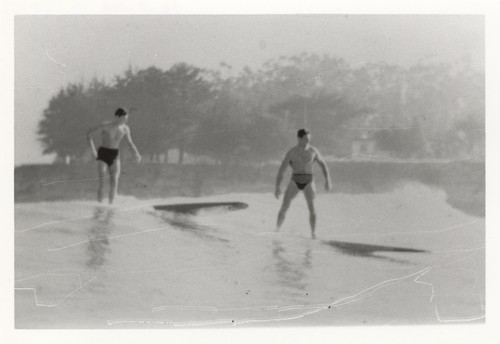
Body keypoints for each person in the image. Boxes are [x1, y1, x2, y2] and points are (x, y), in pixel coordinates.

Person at [275, 129, 331, 239]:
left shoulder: (313, 151)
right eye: (306, 138)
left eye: (309, 138)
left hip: (308, 181)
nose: (308, 140)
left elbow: (323, 165)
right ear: (299, 138)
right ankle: (276, 230)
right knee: (285, 206)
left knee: (312, 208)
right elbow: (282, 169)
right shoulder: (292, 152)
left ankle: (313, 234)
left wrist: (327, 180)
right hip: (295, 181)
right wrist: (277, 187)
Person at [86, 107, 141, 204]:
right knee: (102, 181)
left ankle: (110, 207)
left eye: (126, 119)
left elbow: (130, 142)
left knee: (114, 182)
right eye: (123, 118)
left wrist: (136, 154)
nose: (125, 121)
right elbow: (89, 134)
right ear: (116, 117)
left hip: (115, 155)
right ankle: (100, 205)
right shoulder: (105, 126)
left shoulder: (125, 128)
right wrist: (93, 151)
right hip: (103, 153)